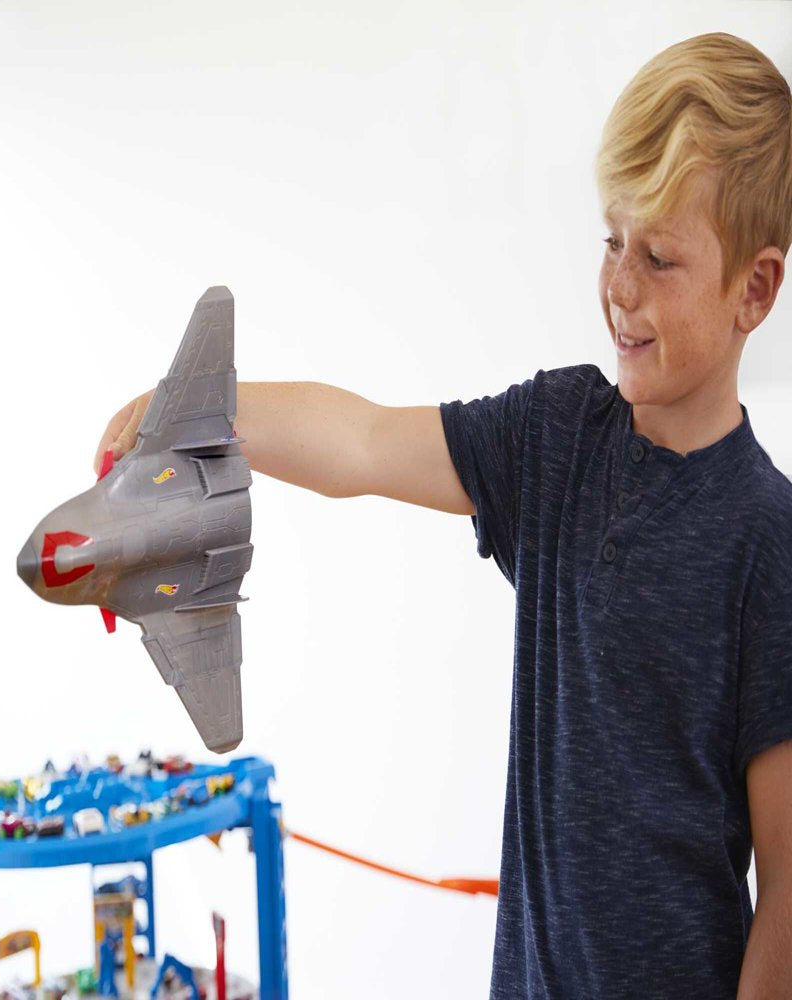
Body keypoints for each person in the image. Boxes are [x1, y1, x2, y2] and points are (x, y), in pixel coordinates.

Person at [94, 32, 791, 999]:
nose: (620, 287)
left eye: (661, 257)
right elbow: (364, 441)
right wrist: (199, 411)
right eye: (612, 240)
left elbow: (786, 891)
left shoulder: (769, 542)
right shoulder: (557, 437)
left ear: (755, 288)